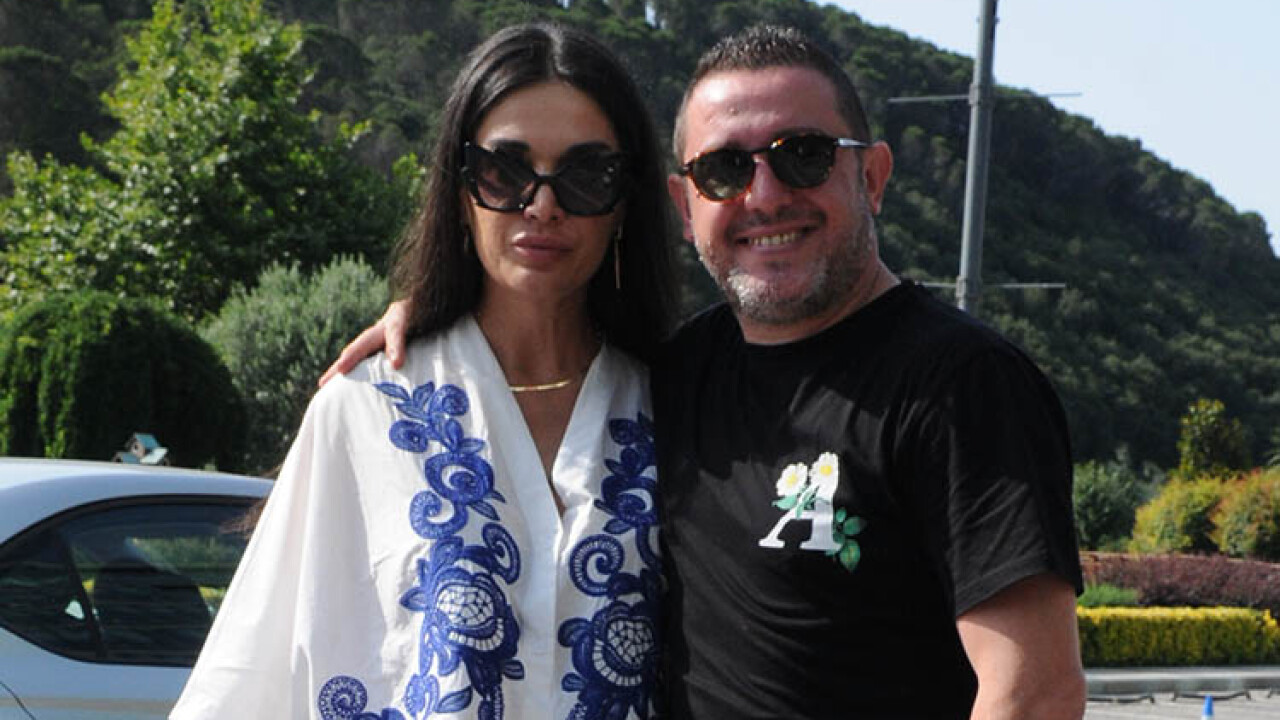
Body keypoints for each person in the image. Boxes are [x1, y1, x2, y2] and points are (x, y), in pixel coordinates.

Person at [324, 24, 1086, 720]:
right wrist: (435, 317)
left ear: (874, 176)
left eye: (804, 155)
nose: (764, 195)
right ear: (685, 207)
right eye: (723, 170)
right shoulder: (667, 377)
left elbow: (1034, 694)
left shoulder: (961, 384)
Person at [173, 22, 675, 720]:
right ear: (461, 189)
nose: (542, 205)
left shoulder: (680, 414)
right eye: (505, 170)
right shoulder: (365, 410)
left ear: (625, 204)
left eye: (587, 175)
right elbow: (248, 681)